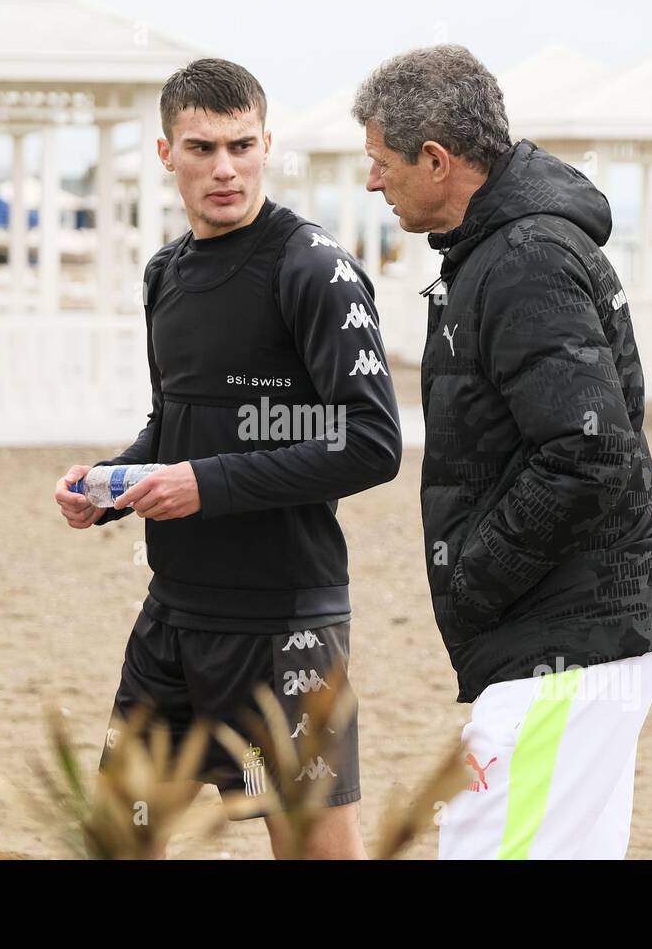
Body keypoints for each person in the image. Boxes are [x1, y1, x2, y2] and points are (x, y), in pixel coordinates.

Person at [54, 58, 402, 859]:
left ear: (267, 145)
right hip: (173, 619)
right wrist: (109, 485)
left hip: (285, 627)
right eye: (202, 147)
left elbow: (372, 442)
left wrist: (204, 485)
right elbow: (175, 425)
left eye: (242, 146)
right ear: (164, 153)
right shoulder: (165, 275)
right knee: (113, 840)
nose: (224, 168)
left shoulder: (314, 269)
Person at [352, 44, 652, 859]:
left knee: (483, 845)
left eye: (381, 162)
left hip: (567, 641)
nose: (372, 182)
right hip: (571, 640)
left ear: (436, 161)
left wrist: (477, 578)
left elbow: (589, 452)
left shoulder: (526, 258)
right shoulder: (499, 251)